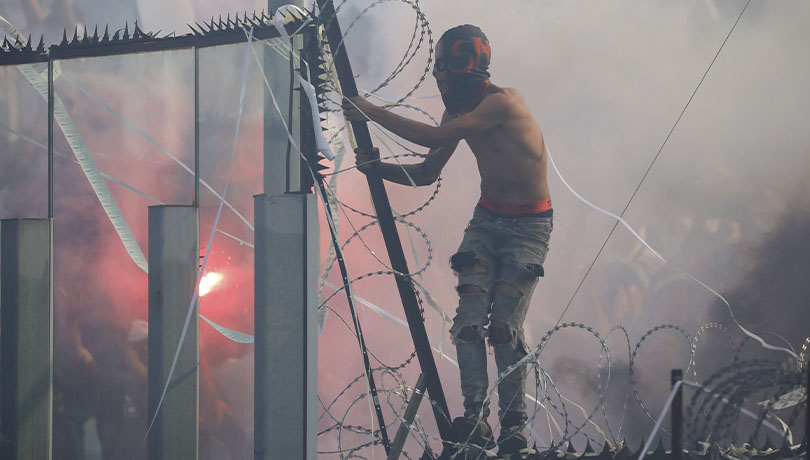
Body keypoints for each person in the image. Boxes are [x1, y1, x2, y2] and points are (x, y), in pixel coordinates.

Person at [342, 24, 553, 457]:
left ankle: (513, 426)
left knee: (503, 328)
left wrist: (369, 111)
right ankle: (474, 419)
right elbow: (425, 172)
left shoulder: (502, 104)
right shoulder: (459, 114)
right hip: (487, 219)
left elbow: (434, 139)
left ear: (462, 70)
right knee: (469, 324)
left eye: (443, 71)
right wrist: (376, 168)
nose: (438, 80)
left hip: (529, 228)